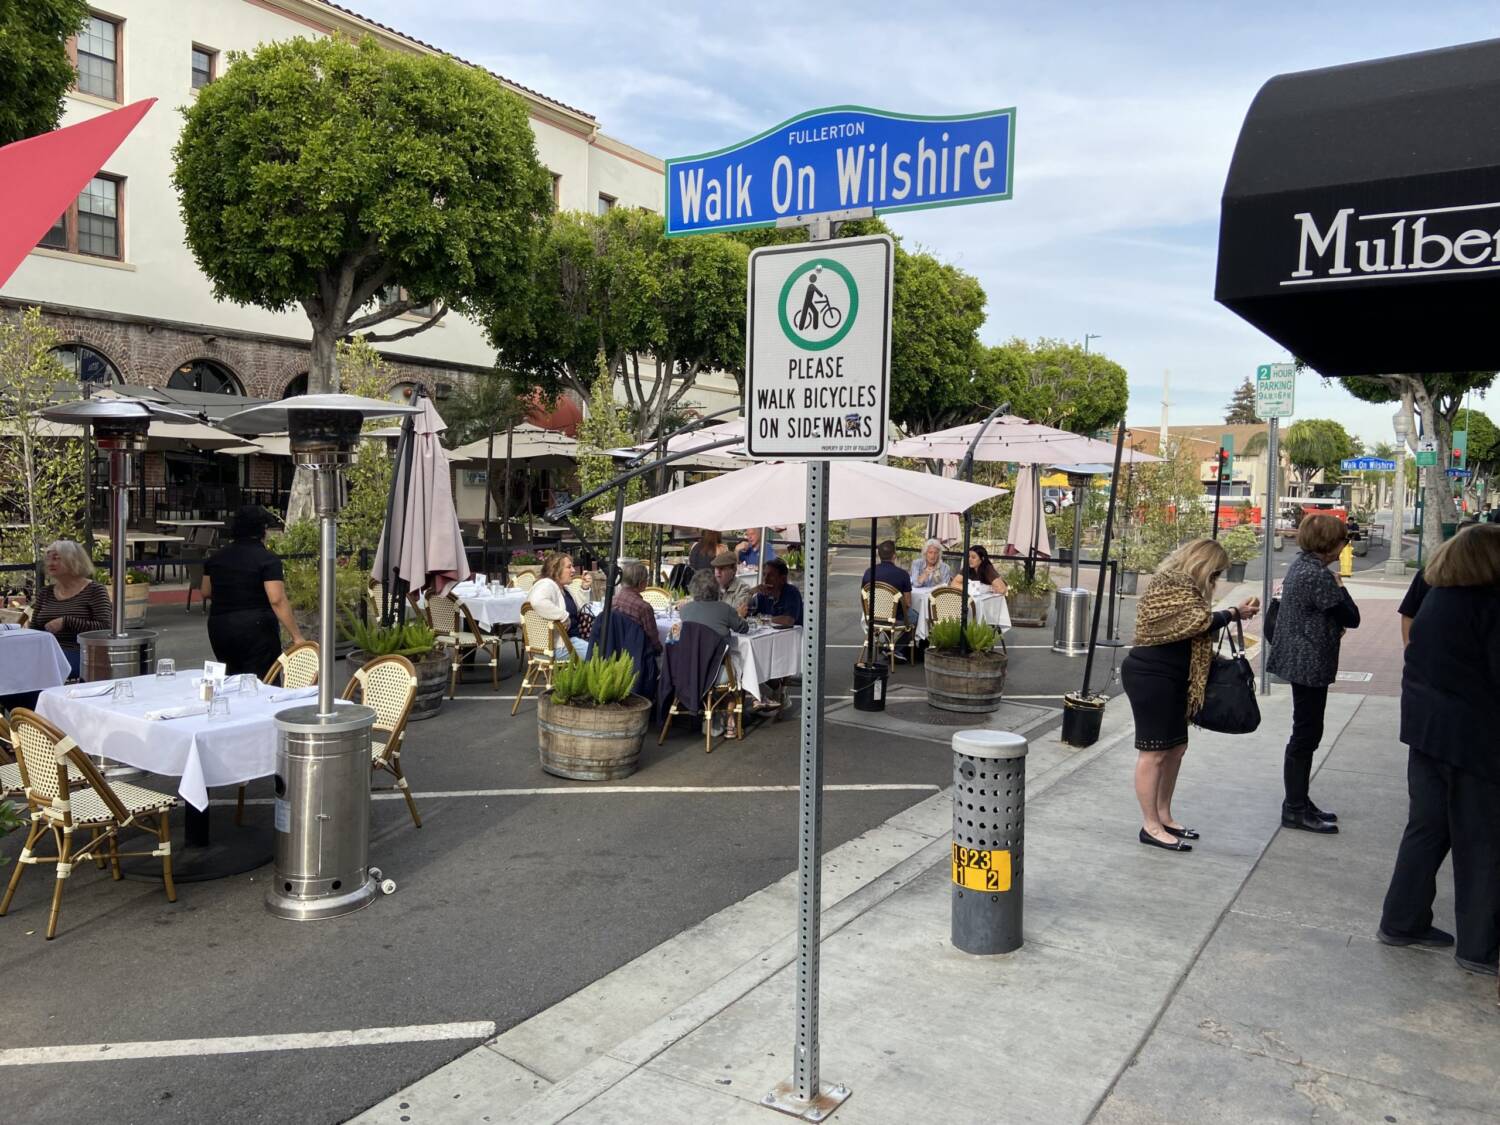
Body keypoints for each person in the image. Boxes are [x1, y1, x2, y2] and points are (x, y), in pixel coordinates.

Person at [1378, 524, 1500, 976]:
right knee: (1482, 840)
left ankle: (1402, 920)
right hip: (1474, 740)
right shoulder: (1488, 605)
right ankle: (1479, 946)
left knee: (1427, 828)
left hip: (1426, 730)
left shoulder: (1437, 597)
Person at [1122, 539, 1259, 852]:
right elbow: (1194, 623)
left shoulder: (1188, 588)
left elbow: (1197, 629)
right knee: (1153, 751)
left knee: (1176, 748)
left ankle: (1164, 815)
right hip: (1150, 676)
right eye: (1215, 574)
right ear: (1203, 564)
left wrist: (1233, 614)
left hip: (1173, 677)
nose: (1216, 580)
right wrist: (1233, 613)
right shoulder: (1170, 583)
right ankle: (1150, 825)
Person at [1266, 514, 1360, 833]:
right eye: (1343, 540)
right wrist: (1341, 585)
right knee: (1306, 733)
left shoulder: (1300, 566)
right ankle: (1294, 808)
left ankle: (1299, 801)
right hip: (1307, 662)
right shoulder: (1318, 575)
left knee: (1306, 731)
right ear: (1328, 543)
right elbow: (1352, 616)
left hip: (1300, 658)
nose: (1345, 546)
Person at [203, 508, 302, 677]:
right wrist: (296, 636)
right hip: (256, 627)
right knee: (263, 680)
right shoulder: (267, 560)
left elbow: (205, 591)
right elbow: (276, 599)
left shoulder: (216, 558)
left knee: (231, 679)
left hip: (220, 625)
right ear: (262, 530)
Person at [27, 540, 110, 681]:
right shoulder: (45, 593)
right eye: (48, 558)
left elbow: (105, 629)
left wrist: (67, 622)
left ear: (73, 560)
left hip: (80, 653)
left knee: (37, 671)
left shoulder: (95, 590)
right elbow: (35, 629)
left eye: (57, 558)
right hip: (47, 653)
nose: (50, 563)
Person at [1397, 517, 1479, 644]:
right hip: (1432, 652)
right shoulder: (1429, 574)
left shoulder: (1486, 581)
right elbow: (1408, 612)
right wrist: (1408, 645)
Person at [528, 553, 590, 659]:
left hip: (571, 641)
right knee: (599, 654)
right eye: (569, 567)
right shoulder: (546, 584)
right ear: (555, 570)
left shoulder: (563, 588)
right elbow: (537, 601)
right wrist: (563, 616)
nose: (574, 570)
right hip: (559, 647)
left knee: (604, 645)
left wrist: (584, 588)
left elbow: (580, 609)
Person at [609, 561, 663, 655]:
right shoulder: (643, 608)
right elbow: (653, 639)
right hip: (639, 655)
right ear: (641, 583)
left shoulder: (612, 601)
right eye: (646, 579)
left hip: (614, 650)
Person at [679, 569, 749, 638]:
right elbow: (744, 629)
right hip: (719, 649)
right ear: (716, 588)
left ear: (693, 588)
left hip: (693, 649)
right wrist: (739, 616)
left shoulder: (684, 610)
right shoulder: (725, 609)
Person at [862, 539, 915, 627]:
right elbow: (908, 603)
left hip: (873, 616)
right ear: (894, 556)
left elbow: (864, 595)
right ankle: (898, 641)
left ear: (879, 555)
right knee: (917, 618)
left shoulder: (868, 572)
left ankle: (887, 640)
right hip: (895, 618)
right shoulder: (903, 574)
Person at [748, 558, 803, 626]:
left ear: (782, 579)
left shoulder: (791, 592)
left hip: (792, 635)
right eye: (764, 574)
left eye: (771, 575)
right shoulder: (762, 595)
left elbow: (788, 620)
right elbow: (746, 615)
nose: (765, 579)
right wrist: (750, 593)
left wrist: (764, 619)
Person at [712, 550, 755, 615]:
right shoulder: (711, 586)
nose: (718, 572)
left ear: (734, 570)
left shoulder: (743, 589)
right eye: (716, 568)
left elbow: (736, 615)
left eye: (722, 568)